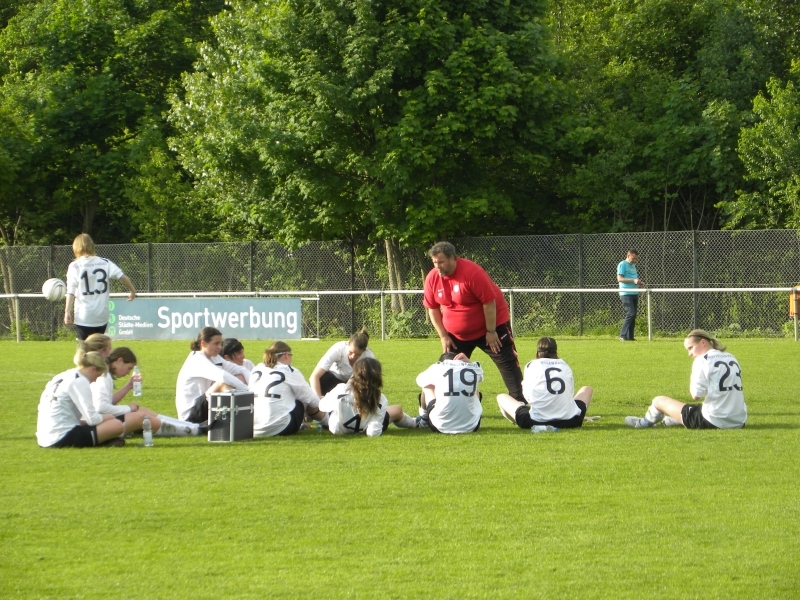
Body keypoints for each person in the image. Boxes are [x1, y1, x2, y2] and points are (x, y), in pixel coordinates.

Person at [423, 241, 523, 401]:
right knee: (446, 370)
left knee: (508, 365)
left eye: (441, 262)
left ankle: (520, 403)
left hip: (491, 328)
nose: (437, 266)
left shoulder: (472, 272)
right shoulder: (433, 278)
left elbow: (489, 302)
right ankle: (432, 410)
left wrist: (491, 332)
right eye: (435, 262)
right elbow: (432, 308)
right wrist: (443, 335)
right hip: (456, 336)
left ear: (453, 259)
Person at [82, 334, 203, 437]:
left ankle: (193, 426)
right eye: (129, 368)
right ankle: (195, 430)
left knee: (142, 411)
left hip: (98, 422)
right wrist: (128, 408)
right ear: (119, 360)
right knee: (143, 417)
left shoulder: (102, 374)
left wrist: (129, 386)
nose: (128, 372)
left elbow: (108, 401)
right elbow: (101, 407)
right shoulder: (103, 376)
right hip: (97, 425)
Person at [625, 329, 747, 429]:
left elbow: (696, 395)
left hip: (714, 421)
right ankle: (673, 420)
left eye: (690, 348)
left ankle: (642, 423)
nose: (689, 353)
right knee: (695, 408)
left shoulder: (702, 360)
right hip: (739, 421)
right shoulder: (730, 356)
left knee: (658, 401)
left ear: (703, 342)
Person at [497, 337, 593, 430]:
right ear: (556, 352)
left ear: (538, 353)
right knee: (587, 389)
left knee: (501, 397)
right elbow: (570, 392)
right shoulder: (564, 364)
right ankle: (570, 413)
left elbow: (527, 395)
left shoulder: (531, 365)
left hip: (535, 422)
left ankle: (516, 422)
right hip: (571, 421)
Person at [36, 348, 125, 448]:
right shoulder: (80, 381)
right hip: (61, 437)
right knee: (117, 425)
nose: (95, 380)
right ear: (92, 369)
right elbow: (93, 419)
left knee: (98, 424)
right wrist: (110, 417)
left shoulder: (63, 375)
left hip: (44, 437)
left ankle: (103, 439)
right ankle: (103, 440)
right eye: (97, 376)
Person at [318, 358, 421, 436]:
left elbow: (322, 406)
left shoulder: (341, 390)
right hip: (364, 428)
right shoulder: (381, 399)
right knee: (397, 410)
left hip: (338, 430)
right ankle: (415, 423)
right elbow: (373, 432)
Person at [64, 233, 137, 340]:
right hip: (101, 315)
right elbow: (122, 276)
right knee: (98, 351)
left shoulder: (74, 266)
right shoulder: (105, 262)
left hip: (84, 315)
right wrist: (132, 291)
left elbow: (71, 290)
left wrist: (67, 311)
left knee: (83, 351)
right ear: (91, 245)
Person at [249, 341, 327, 437]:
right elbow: (313, 400)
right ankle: (329, 423)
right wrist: (323, 401)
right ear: (286, 355)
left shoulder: (256, 369)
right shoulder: (288, 370)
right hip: (279, 427)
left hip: (253, 428)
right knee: (303, 399)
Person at [176, 327, 250, 423]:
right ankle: (240, 417)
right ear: (203, 343)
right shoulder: (197, 359)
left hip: (205, 404)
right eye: (216, 343)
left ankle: (241, 415)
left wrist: (254, 387)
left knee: (239, 377)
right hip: (190, 414)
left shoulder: (215, 358)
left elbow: (240, 369)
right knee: (222, 384)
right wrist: (249, 392)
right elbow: (223, 376)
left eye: (220, 343)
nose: (220, 347)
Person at [415, 352, 484, 434]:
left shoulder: (438, 367)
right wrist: (469, 363)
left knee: (427, 386)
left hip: (439, 426)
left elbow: (420, 380)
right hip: (472, 426)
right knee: (474, 388)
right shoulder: (472, 369)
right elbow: (480, 376)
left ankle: (423, 420)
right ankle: (471, 417)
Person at [309, 328, 376, 397]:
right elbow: (314, 376)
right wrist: (318, 398)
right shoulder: (338, 349)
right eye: (351, 352)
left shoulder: (369, 357)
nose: (353, 356)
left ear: (364, 351)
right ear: (348, 343)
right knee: (322, 380)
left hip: (354, 384)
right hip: (332, 379)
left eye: (358, 355)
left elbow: (373, 382)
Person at [617, 249, 644, 341]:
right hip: (626, 293)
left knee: (633, 315)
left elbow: (633, 278)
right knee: (630, 313)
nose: (634, 260)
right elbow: (620, 279)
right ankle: (622, 335)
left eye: (636, 259)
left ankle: (630, 337)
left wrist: (638, 282)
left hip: (634, 292)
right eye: (633, 258)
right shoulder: (622, 264)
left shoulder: (633, 265)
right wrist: (633, 281)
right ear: (628, 256)